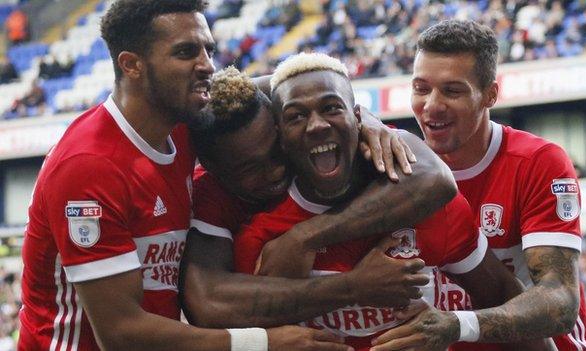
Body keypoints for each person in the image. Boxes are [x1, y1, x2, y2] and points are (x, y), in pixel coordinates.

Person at [18, 1, 357, 350]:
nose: (208, 65)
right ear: (132, 65)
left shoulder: (183, 124)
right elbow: (121, 335)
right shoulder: (89, 166)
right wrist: (263, 343)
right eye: (186, 53)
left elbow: (285, 88)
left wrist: (363, 123)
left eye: (208, 49)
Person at [231, 52, 548, 351]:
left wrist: (454, 325)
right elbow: (240, 324)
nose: (317, 125)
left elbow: (503, 294)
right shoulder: (263, 233)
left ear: (359, 120)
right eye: (296, 116)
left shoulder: (424, 203)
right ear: (280, 134)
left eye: (331, 108)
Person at [369, 19, 586, 351]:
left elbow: (560, 300)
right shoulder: (393, 158)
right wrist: (361, 118)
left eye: (452, 91)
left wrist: (457, 325)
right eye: (421, 88)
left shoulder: (538, 162)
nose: (432, 105)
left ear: (490, 95)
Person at [181, 66, 456, 328]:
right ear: (211, 168)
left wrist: (306, 237)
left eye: (277, 151)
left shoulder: (349, 149)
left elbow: (435, 179)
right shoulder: (211, 193)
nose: (276, 171)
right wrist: (351, 288)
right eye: (250, 169)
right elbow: (208, 303)